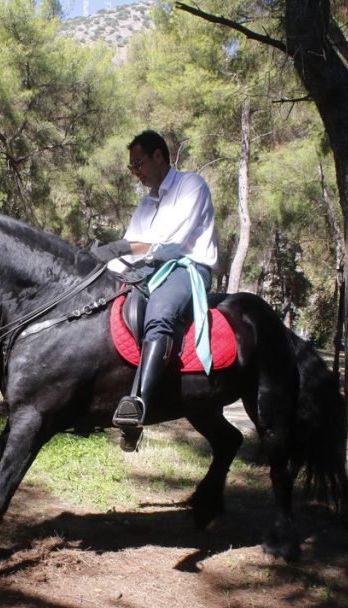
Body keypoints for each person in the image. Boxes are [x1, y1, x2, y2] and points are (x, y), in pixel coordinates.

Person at [106, 130, 218, 451]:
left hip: (187, 267)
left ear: (159, 156)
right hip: (148, 271)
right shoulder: (145, 204)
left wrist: (123, 251)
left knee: (160, 313)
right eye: (131, 168)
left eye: (138, 164)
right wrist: (105, 270)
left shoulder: (191, 185)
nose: (135, 172)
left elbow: (170, 244)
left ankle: (139, 405)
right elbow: (128, 252)